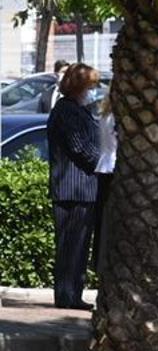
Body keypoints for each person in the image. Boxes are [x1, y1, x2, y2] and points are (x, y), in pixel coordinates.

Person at [46, 63, 101, 310]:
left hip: (80, 189)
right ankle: (67, 296)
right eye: (89, 86)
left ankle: (72, 294)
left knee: (77, 247)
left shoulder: (77, 110)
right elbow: (79, 146)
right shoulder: (68, 111)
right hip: (74, 189)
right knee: (71, 245)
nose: (92, 91)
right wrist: (104, 162)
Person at [93, 88, 117, 272]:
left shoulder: (104, 115)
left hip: (103, 167)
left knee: (102, 223)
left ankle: (100, 265)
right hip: (112, 168)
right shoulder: (115, 118)